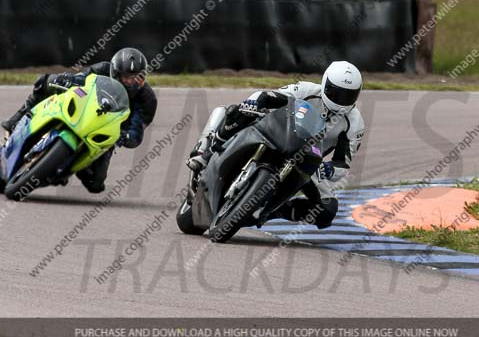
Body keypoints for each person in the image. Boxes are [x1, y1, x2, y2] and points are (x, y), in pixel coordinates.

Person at [187, 60, 365, 229]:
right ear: (325, 84)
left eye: (348, 95)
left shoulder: (354, 123)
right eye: (336, 93)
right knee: (236, 112)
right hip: (277, 135)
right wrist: (254, 103)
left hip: (310, 162)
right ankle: (207, 153)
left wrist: (330, 169)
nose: (341, 101)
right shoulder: (306, 90)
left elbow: (343, 161)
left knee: (327, 211)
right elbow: (269, 95)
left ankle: (276, 210)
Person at [2, 48, 157, 193]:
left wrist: (127, 137)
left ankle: (65, 169)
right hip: (83, 112)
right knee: (44, 82)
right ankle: (15, 122)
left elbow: (137, 129)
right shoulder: (102, 69)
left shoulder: (147, 100)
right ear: (115, 72)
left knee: (95, 184)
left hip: (107, 131)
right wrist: (67, 80)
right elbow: (81, 79)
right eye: (126, 77)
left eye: (136, 78)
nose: (131, 82)